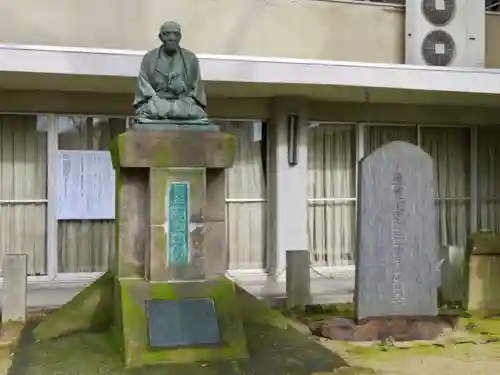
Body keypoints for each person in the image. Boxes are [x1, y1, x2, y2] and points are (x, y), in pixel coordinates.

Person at [133, 21, 210, 124]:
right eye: (167, 34)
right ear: (160, 37)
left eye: (176, 34)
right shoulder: (149, 58)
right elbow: (144, 85)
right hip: (157, 102)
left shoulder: (190, 58)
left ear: (180, 37)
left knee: (197, 113)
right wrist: (155, 100)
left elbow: (196, 87)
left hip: (183, 103)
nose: (172, 38)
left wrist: (187, 101)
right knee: (147, 111)